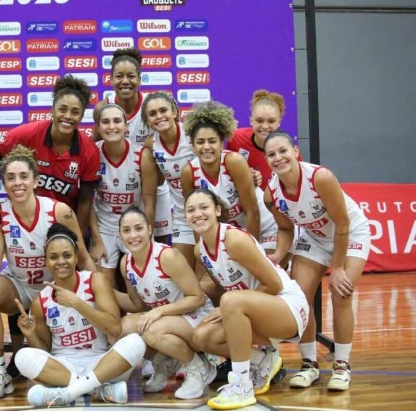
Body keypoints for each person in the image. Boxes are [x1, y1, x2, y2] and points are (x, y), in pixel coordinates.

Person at [0, 145, 92, 400]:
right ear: (3, 183)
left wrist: (98, 293)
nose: (17, 183)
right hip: (21, 287)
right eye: (10, 178)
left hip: (54, 290)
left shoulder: (58, 211)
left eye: (24, 176)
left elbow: (83, 259)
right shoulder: (0, 213)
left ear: (36, 180)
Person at [263, 130, 370, 392]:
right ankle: (309, 365)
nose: (278, 158)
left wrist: (338, 268)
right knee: (300, 297)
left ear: (295, 152)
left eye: (283, 151)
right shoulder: (271, 194)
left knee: (341, 293)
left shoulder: (319, 177)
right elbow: (287, 230)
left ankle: (342, 365)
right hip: (315, 237)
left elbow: (343, 223)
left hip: (350, 232)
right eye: (271, 154)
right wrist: (278, 255)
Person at [186, 188, 309, 410]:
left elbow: (275, 284)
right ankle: (264, 362)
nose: (197, 214)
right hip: (256, 309)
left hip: (287, 307)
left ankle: (242, 385)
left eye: (204, 207)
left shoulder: (233, 239)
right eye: (191, 210)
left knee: (231, 301)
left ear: (217, 210)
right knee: (201, 336)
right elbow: (221, 288)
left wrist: (230, 305)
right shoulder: (199, 251)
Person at [14, 223, 146, 407]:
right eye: (54, 257)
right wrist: (29, 334)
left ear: (76, 257)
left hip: (102, 364)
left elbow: (114, 329)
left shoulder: (95, 280)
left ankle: (68, 393)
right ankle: (98, 390)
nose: (61, 261)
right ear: (46, 261)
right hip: (65, 366)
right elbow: (45, 351)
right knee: (22, 357)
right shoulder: (40, 301)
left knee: (136, 342)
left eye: (67, 255)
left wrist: (77, 303)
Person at [0, 75, 100, 238]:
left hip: (64, 224)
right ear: (52, 110)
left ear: (82, 115)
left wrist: (75, 239)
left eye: (75, 112)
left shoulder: (89, 150)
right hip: (27, 222)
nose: (68, 116)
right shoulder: (28, 134)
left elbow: (85, 202)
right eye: (62, 109)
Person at [117, 206, 216, 399]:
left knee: (151, 331)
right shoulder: (125, 264)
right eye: (126, 230)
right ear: (119, 234)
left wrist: (159, 311)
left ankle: (200, 367)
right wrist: (103, 291)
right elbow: (137, 305)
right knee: (121, 328)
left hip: (196, 316)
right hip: (168, 320)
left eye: (138, 228)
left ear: (150, 229)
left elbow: (197, 298)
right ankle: (166, 362)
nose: (133, 235)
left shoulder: (167, 256)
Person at [94, 48, 172, 244]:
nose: (125, 81)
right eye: (119, 76)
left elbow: (169, 143)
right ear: (111, 79)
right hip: (115, 187)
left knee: (157, 244)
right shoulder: (103, 107)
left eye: (131, 76)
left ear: (140, 78)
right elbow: (94, 146)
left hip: (152, 186)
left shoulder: (152, 107)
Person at [180, 100, 278, 257]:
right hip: (233, 235)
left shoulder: (234, 162)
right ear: (193, 145)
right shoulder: (188, 173)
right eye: (200, 142)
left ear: (221, 144)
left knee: (260, 276)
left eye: (212, 141)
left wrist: (252, 253)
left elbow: (253, 212)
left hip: (266, 227)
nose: (206, 147)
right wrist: (206, 256)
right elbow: (197, 221)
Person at [89, 103, 157, 282]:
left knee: (141, 282)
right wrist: (96, 241)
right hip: (104, 229)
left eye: (117, 121)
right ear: (98, 128)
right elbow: (86, 202)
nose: (111, 126)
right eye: (105, 122)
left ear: (126, 126)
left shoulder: (142, 156)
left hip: (133, 227)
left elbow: (149, 201)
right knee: (102, 284)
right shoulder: (92, 153)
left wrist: (146, 236)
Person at [142, 92, 197, 267]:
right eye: (152, 114)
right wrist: (148, 238)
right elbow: (152, 191)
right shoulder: (151, 145)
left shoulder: (192, 135)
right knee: (184, 271)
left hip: (209, 213)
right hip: (182, 216)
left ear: (174, 112)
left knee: (209, 273)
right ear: (147, 121)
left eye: (163, 110)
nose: (159, 116)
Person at [227, 89, 300, 190]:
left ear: (279, 122)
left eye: (271, 121)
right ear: (251, 121)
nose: (265, 126)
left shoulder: (288, 149)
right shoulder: (235, 138)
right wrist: (245, 177)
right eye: (259, 121)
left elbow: (295, 184)